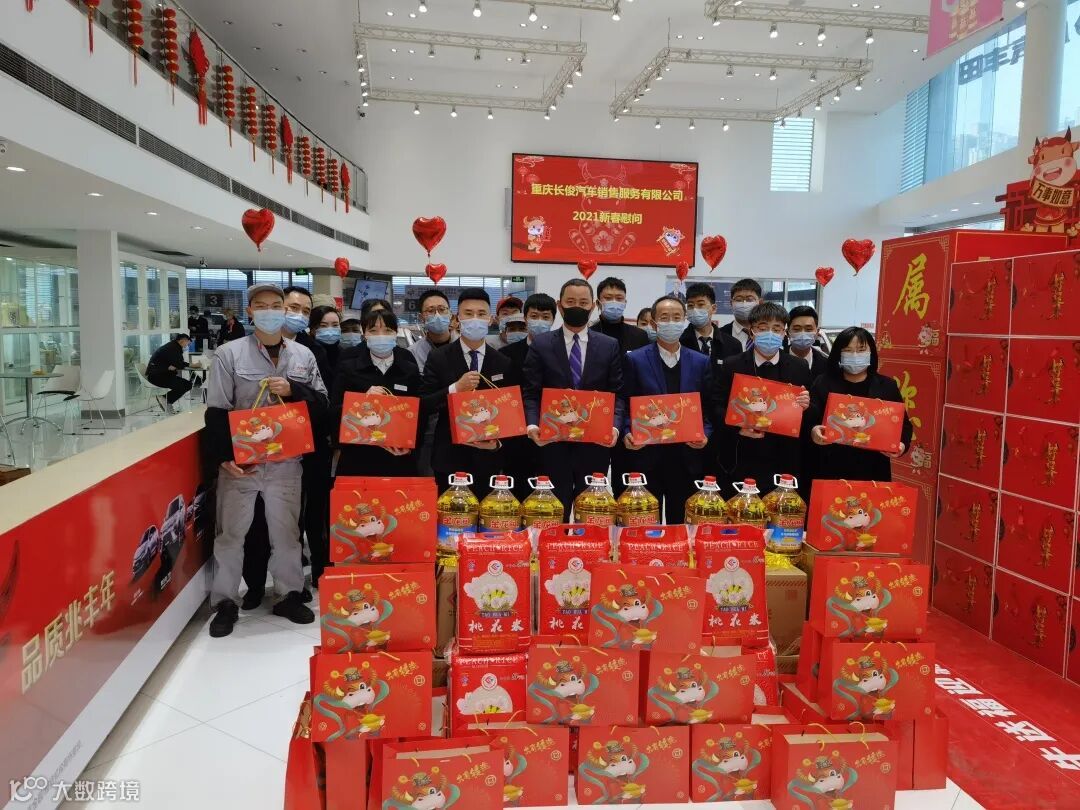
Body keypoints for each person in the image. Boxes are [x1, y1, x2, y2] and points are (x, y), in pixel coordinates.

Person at [203, 282, 328, 638]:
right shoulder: (228, 354)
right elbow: (217, 411)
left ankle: (288, 595)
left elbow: (322, 405)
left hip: (287, 463)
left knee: (287, 535)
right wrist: (224, 458)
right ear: (249, 311)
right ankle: (225, 602)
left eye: (276, 305)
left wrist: (293, 389)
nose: (270, 311)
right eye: (262, 305)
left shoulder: (303, 356)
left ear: (285, 311)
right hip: (243, 464)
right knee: (231, 536)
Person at [522, 279, 624, 517]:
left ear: (593, 306)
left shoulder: (609, 345)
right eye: (570, 301)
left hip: (595, 444)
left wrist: (615, 427)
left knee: (591, 511)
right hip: (552, 443)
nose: (577, 306)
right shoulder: (541, 344)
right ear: (560, 306)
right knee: (553, 510)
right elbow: (531, 392)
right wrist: (532, 425)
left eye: (583, 302)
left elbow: (618, 393)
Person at [622, 296, 712, 523]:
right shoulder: (635, 360)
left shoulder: (700, 361)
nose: (671, 322)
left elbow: (708, 408)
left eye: (677, 317)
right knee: (645, 523)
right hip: (647, 454)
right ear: (654, 324)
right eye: (664, 318)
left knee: (680, 524)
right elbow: (624, 402)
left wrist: (705, 434)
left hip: (686, 456)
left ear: (684, 321)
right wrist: (628, 432)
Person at [421, 287, 512, 500]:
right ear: (457, 318)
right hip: (449, 457)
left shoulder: (503, 362)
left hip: (489, 459)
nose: (475, 319)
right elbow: (424, 404)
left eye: (481, 314)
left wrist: (498, 443)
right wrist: (455, 389)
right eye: (468, 314)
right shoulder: (439, 358)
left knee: (487, 516)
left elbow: (510, 411)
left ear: (490, 319)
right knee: (449, 517)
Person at [713, 302, 811, 496]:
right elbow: (716, 406)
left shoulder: (799, 366)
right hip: (742, 455)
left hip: (783, 458)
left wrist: (806, 405)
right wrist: (739, 426)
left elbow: (813, 411)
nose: (770, 333)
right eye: (763, 328)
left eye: (776, 328)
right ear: (752, 332)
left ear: (784, 333)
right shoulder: (733, 365)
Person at [807, 327, 913, 483]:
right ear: (838, 353)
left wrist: (901, 445)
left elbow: (904, 425)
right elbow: (810, 418)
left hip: (874, 468)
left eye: (861, 349)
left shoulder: (886, 385)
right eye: (848, 350)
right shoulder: (823, 382)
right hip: (831, 466)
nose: (855, 355)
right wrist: (814, 431)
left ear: (871, 352)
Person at [333, 308, 422, 477]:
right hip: (358, 457)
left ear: (395, 333)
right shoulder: (349, 368)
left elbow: (420, 412)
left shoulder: (409, 369)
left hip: (399, 457)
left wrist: (411, 446)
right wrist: (362, 400)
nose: (381, 336)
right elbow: (334, 411)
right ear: (364, 334)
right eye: (373, 330)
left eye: (387, 330)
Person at [500, 294, 556, 501]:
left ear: (553, 320)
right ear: (525, 318)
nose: (539, 321)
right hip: (515, 438)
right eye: (534, 316)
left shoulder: (562, 351)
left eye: (545, 317)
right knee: (515, 494)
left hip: (553, 434)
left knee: (547, 498)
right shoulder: (506, 354)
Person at [680, 282, 742, 369]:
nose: (695, 309)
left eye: (701, 304)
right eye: (690, 305)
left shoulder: (733, 344)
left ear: (713, 308)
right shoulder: (679, 342)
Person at [591, 277, 650, 352]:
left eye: (619, 298)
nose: (614, 302)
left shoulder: (639, 335)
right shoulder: (589, 335)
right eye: (608, 298)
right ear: (598, 303)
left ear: (625, 303)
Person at [410, 289, 456, 373]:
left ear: (450, 314)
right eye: (430, 311)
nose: (437, 315)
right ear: (421, 317)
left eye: (442, 309)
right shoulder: (412, 353)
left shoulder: (466, 347)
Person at [146, 333, 192, 413]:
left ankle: (166, 400)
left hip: (162, 375)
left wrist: (187, 365)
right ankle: (165, 399)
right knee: (184, 385)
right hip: (157, 376)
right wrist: (191, 365)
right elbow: (179, 364)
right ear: (182, 341)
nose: (187, 346)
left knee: (187, 384)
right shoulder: (173, 348)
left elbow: (177, 363)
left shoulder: (173, 346)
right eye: (187, 343)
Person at [719, 279, 763, 351]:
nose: (744, 304)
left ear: (760, 303)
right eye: (739, 300)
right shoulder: (719, 334)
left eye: (749, 299)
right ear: (731, 303)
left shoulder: (769, 334)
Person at [788, 305, 829, 380]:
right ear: (788, 332)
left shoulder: (826, 365)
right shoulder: (775, 360)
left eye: (808, 329)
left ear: (817, 332)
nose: (803, 334)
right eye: (797, 329)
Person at [310, 305, 343, 384]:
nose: (330, 330)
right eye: (323, 326)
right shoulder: (307, 352)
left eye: (335, 325)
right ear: (313, 329)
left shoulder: (344, 353)